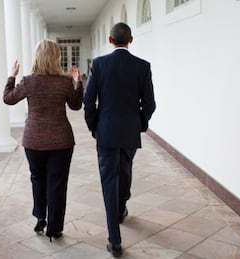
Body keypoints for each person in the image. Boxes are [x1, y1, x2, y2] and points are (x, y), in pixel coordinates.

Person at [83, 22, 156, 257]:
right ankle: (122, 205)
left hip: (106, 132)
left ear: (110, 40)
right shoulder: (142, 66)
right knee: (125, 170)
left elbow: (88, 101)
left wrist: (94, 126)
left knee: (109, 182)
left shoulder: (99, 64)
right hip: (129, 132)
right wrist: (141, 124)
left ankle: (114, 239)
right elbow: (150, 104)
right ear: (131, 40)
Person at [3, 39, 83, 241]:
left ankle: (40, 217)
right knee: (57, 184)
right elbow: (75, 105)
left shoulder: (29, 81)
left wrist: (12, 76)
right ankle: (54, 228)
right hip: (61, 141)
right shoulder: (64, 81)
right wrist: (78, 82)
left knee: (37, 179)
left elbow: (8, 98)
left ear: (37, 57)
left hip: (34, 141)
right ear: (57, 57)